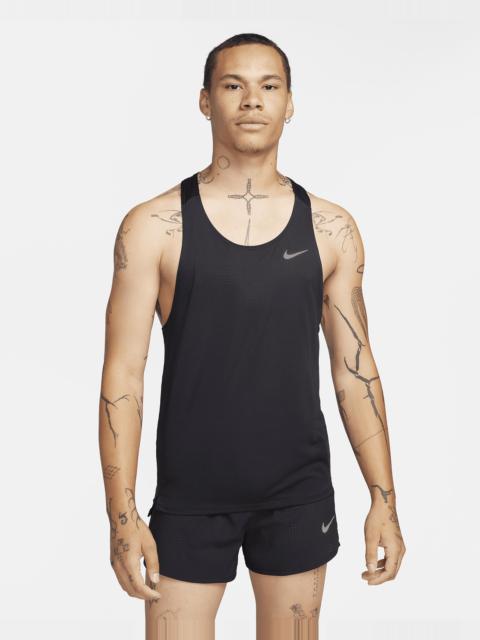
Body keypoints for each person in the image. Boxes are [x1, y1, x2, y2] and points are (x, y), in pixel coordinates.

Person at [99, 33, 406, 640]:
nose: (251, 100)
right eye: (233, 85)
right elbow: (123, 376)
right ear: (205, 101)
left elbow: (354, 372)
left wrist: (384, 499)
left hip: (297, 493)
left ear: (289, 103)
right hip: (189, 496)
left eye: (269, 86)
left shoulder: (332, 229)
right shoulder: (152, 227)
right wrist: (122, 514)